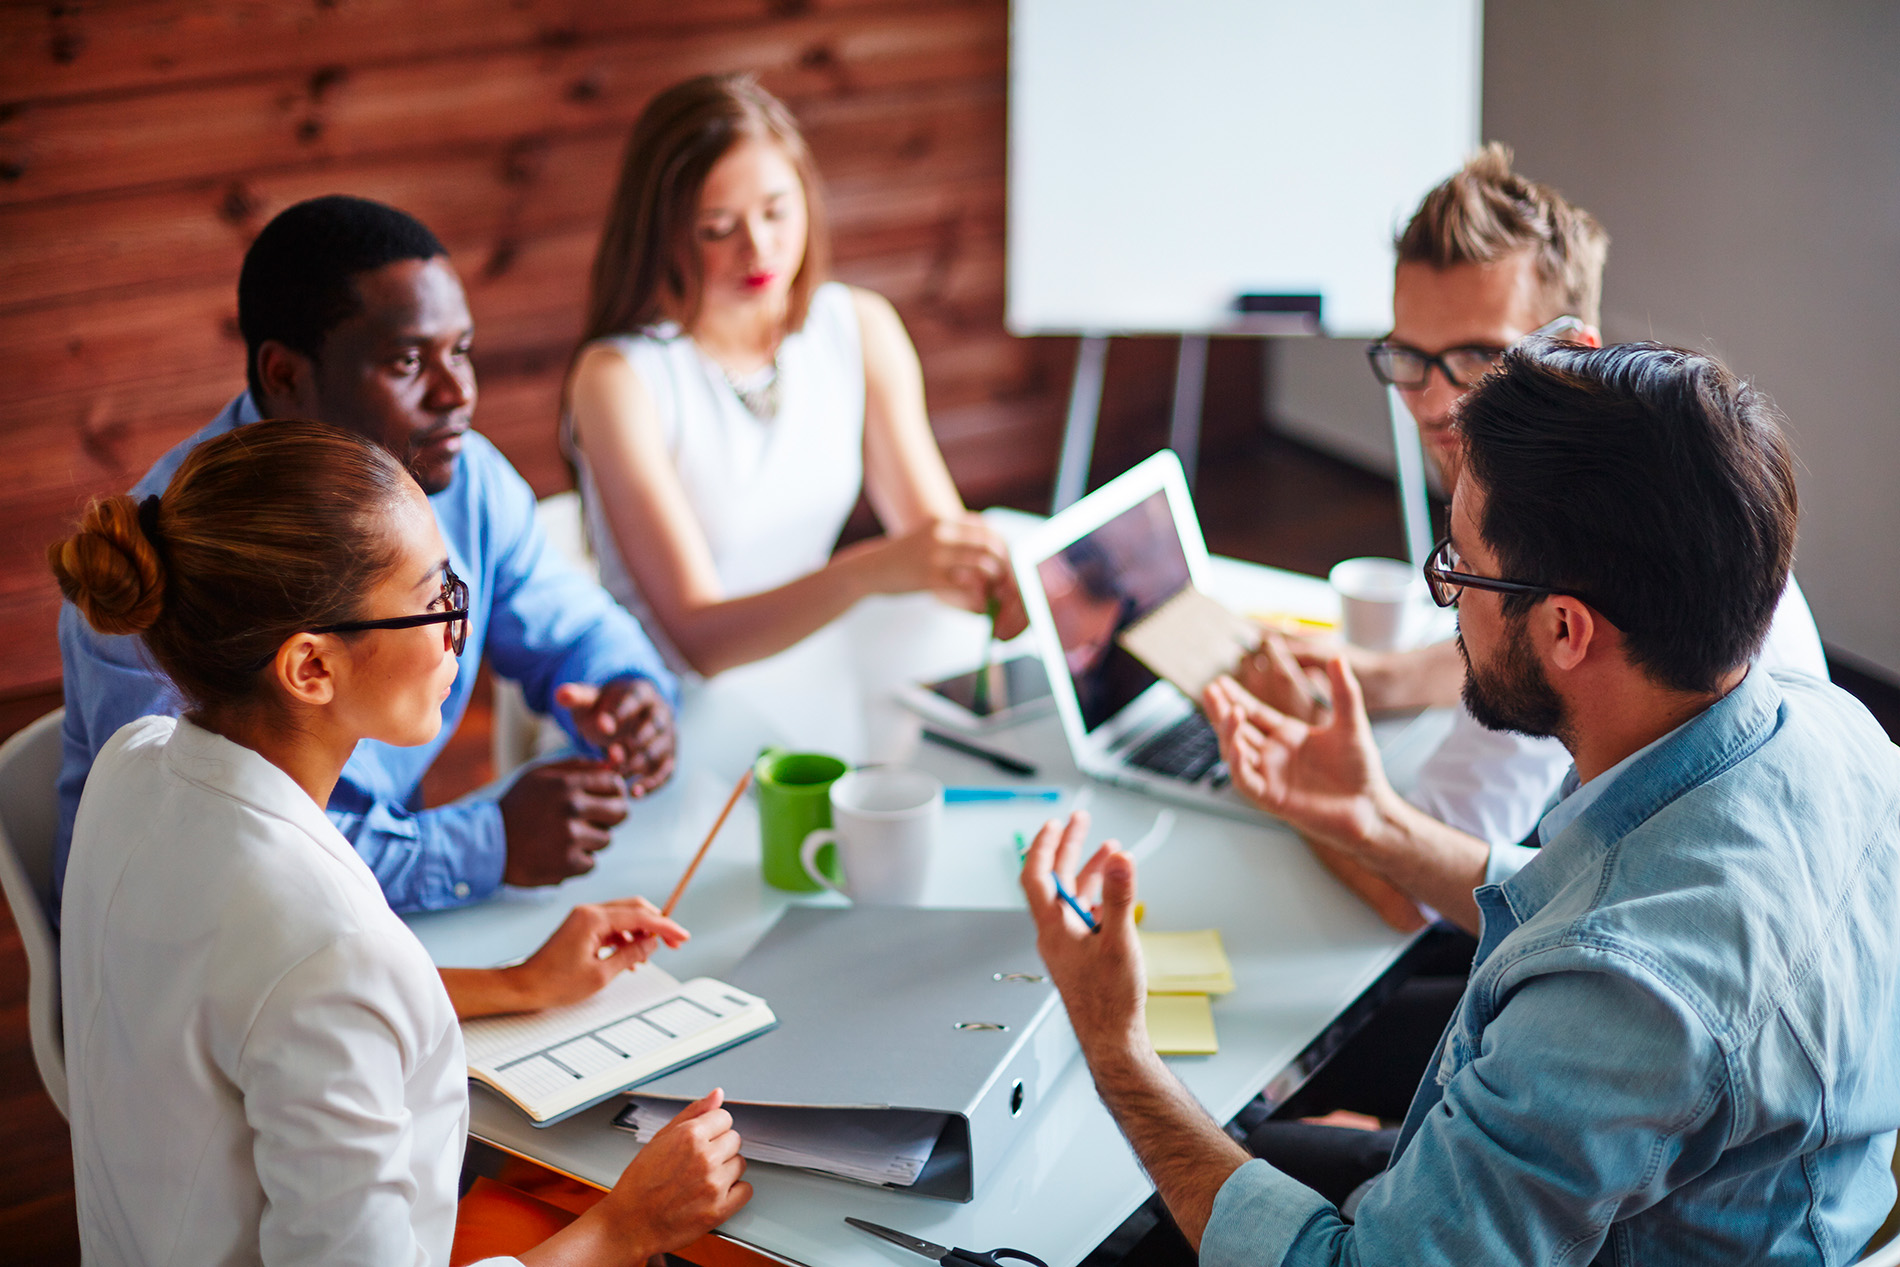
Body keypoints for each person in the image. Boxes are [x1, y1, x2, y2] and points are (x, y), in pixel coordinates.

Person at [1028, 340, 1900, 1264]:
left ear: (1567, 627)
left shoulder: (1620, 1001)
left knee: (1113, 1218)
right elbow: (1627, 901)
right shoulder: (1829, 727)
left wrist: (1116, 1048)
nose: (1448, 601)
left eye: (1459, 569)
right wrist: (1372, 821)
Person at [51, 420, 750, 1265]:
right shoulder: (326, 943)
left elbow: (256, 1012)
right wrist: (628, 1225)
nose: (461, 622)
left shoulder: (132, 767)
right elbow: (312, 986)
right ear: (311, 668)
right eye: (435, 598)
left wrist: (522, 981)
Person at [1238, 145, 1827, 931]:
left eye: (1480, 356)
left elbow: (1416, 895)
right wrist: (1377, 681)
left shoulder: (1555, 564)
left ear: (1571, 350)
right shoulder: (1686, 494)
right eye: (1411, 357)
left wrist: (1296, 768)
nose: (1437, 403)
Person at [54, 195, 679, 917]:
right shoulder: (172, 560)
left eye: (463, 351)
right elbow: (211, 862)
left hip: (357, 926)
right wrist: (486, 843)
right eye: (409, 360)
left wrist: (628, 691)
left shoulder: (463, 477)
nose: (459, 393)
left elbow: (571, 624)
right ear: (286, 374)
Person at [563, 73, 1025, 678]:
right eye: (717, 229)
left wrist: (1010, 587)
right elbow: (701, 642)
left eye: (777, 212)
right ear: (663, 233)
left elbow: (935, 544)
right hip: (659, 707)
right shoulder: (618, 379)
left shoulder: (857, 326)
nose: (758, 249)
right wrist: (868, 572)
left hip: (805, 672)